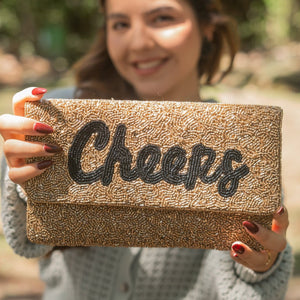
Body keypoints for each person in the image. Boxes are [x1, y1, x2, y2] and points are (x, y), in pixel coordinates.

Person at [0, 0, 294, 299]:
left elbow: (236, 287)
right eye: (120, 24)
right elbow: (28, 240)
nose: (139, 42)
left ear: (207, 27)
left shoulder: (241, 143)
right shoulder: (59, 120)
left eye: (162, 18)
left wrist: (258, 269)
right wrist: (27, 183)